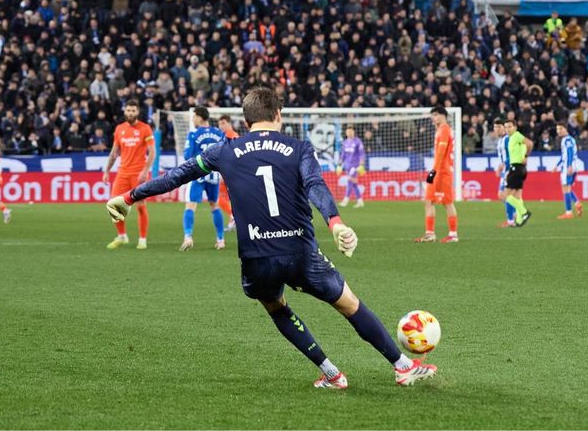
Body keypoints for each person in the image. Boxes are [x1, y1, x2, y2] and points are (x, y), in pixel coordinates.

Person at [105, 86, 436, 388]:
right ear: (278, 115)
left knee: (277, 307)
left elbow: (178, 174)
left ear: (246, 121)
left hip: (257, 256)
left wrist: (130, 196)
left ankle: (332, 373)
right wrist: (335, 222)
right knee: (349, 304)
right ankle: (401, 364)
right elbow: (315, 186)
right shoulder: (298, 149)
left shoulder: (225, 151)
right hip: (300, 250)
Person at [104, 100, 153, 249]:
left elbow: (152, 152)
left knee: (140, 206)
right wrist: (107, 170)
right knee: (113, 205)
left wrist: (145, 171)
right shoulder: (119, 129)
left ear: (137, 112)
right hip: (122, 173)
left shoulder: (145, 128)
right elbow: (114, 153)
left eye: (133, 110)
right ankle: (122, 236)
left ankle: (142, 239)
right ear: (125, 111)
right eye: (128, 110)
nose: (130, 113)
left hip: (138, 174)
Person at [180, 106, 227, 251]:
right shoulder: (219, 133)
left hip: (198, 173)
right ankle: (220, 240)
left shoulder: (194, 134)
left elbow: (188, 155)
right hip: (213, 175)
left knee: (190, 206)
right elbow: (224, 154)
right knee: (214, 206)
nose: (193, 119)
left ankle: (188, 237)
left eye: (194, 116)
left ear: (200, 117)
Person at [415, 106, 457, 243]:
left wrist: (433, 171)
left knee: (447, 203)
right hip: (439, 170)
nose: (433, 118)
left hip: (443, 172)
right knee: (429, 200)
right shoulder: (440, 130)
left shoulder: (444, 130)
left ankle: (453, 235)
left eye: (436, 115)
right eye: (432, 115)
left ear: (443, 115)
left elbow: (441, 152)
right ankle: (430, 234)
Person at [503, 114, 531, 226]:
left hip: (516, 167)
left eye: (510, 126)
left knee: (506, 196)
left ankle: (524, 212)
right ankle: (519, 220)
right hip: (521, 168)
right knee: (517, 195)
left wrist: (526, 156)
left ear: (515, 127)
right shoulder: (512, 138)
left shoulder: (516, 136)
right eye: (506, 127)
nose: (507, 129)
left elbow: (529, 143)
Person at [217, 113, 239, 232]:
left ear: (229, 123)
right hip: (228, 170)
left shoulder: (231, 135)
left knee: (218, 198)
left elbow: (235, 153)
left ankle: (234, 218)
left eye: (223, 123)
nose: (221, 126)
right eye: (219, 124)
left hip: (230, 171)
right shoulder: (225, 135)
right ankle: (234, 219)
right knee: (223, 198)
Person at [556, 121, 582, 219]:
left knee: (565, 188)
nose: (558, 131)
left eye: (560, 129)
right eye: (557, 129)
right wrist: (557, 165)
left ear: (566, 129)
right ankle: (577, 203)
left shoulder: (567, 140)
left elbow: (570, 152)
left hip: (568, 166)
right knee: (568, 188)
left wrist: (569, 165)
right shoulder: (569, 139)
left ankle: (568, 212)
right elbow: (564, 156)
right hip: (572, 165)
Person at [492, 120, 516, 227]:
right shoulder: (501, 140)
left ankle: (510, 220)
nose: (497, 129)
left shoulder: (507, 139)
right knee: (503, 195)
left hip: (509, 169)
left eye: (499, 127)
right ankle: (515, 214)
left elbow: (512, 155)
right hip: (506, 170)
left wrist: (503, 165)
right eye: (495, 127)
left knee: (504, 195)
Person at [338, 124, 366, 208]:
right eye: (348, 131)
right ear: (346, 132)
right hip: (347, 165)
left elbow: (362, 154)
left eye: (351, 131)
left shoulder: (358, 142)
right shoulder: (345, 143)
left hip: (355, 165)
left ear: (354, 132)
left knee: (350, 181)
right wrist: (339, 165)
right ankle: (360, 200)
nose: (349, 132)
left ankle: (345, 199)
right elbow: (343, 155)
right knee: (354, 183)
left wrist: (361, 164)